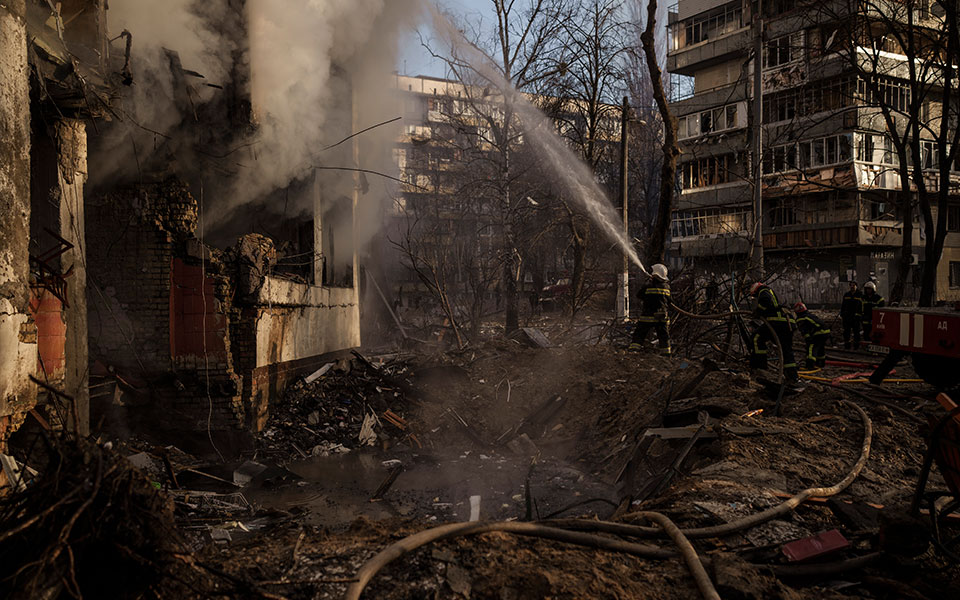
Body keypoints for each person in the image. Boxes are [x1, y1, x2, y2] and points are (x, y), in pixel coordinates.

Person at [748, 282, 799, 383]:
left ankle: (760, 367)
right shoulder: (774, 292)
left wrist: (758, 312)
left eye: (755, 295)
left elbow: (766, 302)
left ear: (756, 290)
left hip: (777, 323)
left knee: (756, 337)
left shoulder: (764, 291)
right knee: (786, 350)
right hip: (788, 323)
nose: (756, 297)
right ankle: (792, 377)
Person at [629, 264, 671, 355]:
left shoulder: (648, 285)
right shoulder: (666, 287)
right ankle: (666, 354)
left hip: (648, 316)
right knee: (664, 336)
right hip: (662, 317)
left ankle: (634, 351)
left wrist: (647, 282)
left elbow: (639, 295)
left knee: (639, 333)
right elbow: (670, 301)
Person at [794, 302, 831, 369]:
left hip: (818, 333)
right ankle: (821, 363)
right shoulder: (809, 315)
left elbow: (805, 331)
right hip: (826, 332)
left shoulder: (801, 318)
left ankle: (810, 365)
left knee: (811, 347)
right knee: (820, 347)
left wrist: (808, 340)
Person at [840, 281, 862, 349]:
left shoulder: (860, 295)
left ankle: (856, 346)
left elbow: (862, 306)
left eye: (854, 285)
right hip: (847, 317)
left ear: (856, 286)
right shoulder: (847, 295)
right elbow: (843, 305)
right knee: (846, 331)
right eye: (851, 285)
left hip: (856, 317)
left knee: (856, 332)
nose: (852, 287)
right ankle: (847, 345)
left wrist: (859, 315)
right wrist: (842, 313)